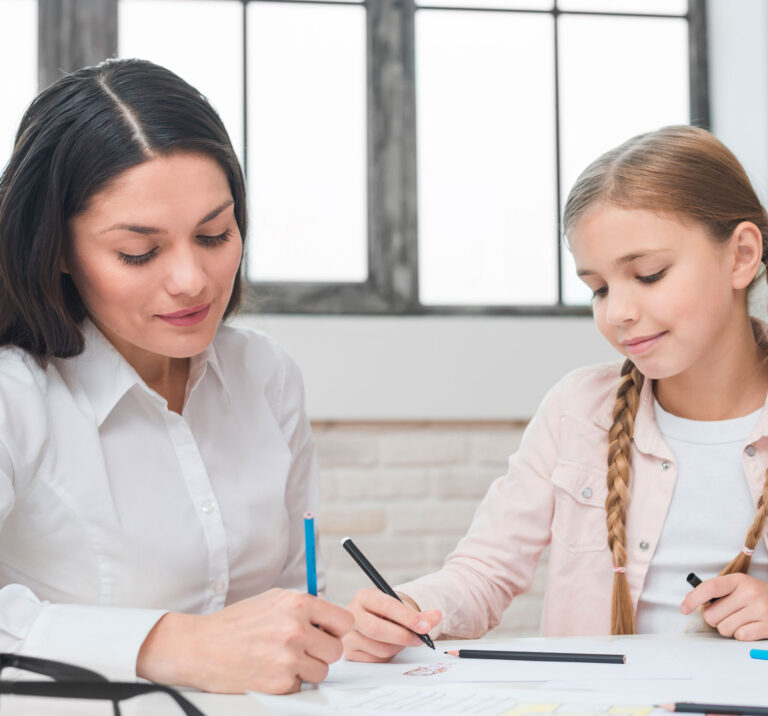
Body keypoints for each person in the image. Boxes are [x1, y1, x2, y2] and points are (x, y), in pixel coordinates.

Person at [343, 125, 768, 662]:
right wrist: (406, 607)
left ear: (741, 256)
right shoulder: (576, 410)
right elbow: (483, 572)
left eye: (649, 274)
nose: (618, 313)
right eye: (599, 289)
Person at [0, 57, 352, 694]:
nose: (192, 280)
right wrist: (172, 644)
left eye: (214, 235)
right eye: (139, 251)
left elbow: (297, 595)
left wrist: (336, 632)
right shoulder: (15, 396)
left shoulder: (266, 375)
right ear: (55, 250)